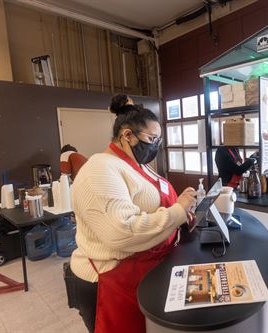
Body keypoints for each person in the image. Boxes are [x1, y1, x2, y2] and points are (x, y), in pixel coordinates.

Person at [69, 94, 197, 332]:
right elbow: (122, 231)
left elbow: (153, 203)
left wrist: (179, 213)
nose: (156, 146)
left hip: (144, 270)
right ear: (127, 135)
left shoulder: (138, 165)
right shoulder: (100, 169)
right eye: (152, 138)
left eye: (158, 140)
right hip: (109, 278)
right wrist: (177, 212)